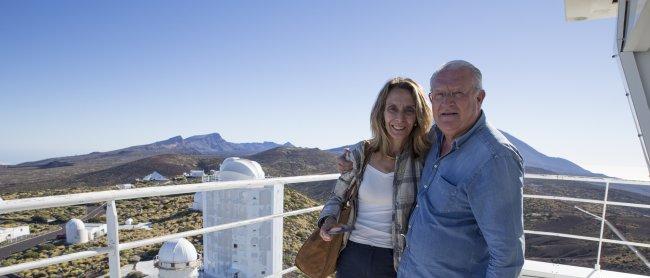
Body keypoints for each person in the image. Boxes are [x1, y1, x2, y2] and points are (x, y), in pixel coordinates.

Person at [337, 60, 525, 277]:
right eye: (440, 94)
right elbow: (391, 141)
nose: (447, 102)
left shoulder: (495, 158)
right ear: (431, 99)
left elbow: (507, 257)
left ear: (479, 97)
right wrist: (353, 157)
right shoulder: (433, 140)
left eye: (457, 93)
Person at [318, 77, 432, 278]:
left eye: (409, 110)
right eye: (392, 109)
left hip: (395, 261)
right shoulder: (363, 152)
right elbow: (337, 197)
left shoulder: (423, 159)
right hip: (351, 254)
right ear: (381, 112)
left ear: (418, 116)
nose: (399, 118)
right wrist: (328, 220)